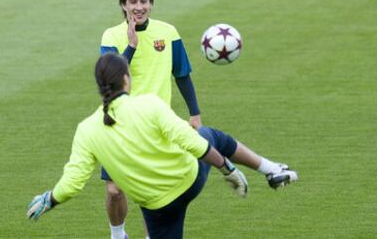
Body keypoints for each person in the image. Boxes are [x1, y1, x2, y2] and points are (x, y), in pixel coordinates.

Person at [27, 54, 298, 239]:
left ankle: (270, 169)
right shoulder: (148, 104)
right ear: (126, 80)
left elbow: (74, 182)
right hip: (189, 180)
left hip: (157, 207)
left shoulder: (87, 129)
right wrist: (226, 167)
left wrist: (50, 199)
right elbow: (192, 140)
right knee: (209, 134)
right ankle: (270, 169)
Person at [99, 0, 203, 238]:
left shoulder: (168, 33)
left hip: (156, 126)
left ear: (151, 4)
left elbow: (182, 74)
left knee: (153, 193)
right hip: (119, 124)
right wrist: (131, 46)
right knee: (114, 191)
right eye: (133, 1)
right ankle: (118, 233)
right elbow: (111, 77)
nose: (139, 7)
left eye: (143, 1)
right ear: (123, 5)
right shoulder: (111, 36)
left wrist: (195, 113)